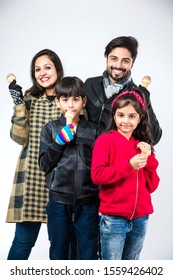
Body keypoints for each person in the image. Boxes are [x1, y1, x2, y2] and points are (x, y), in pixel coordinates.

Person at [6, 49, 64, 260]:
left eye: (47, 67)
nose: (42, 73)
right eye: (37, 69)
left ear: (57, 68)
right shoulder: (30, 98)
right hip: (32, 175)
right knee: (22, 242)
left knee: (60, 244)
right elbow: (19, 138)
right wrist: (19, 105)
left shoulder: (69, 95)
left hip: (61, 178)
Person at [91, 89, 160, 260]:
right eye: (121, 115)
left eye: (131, 116)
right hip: (114, 219)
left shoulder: (142, 145)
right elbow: (97, 176)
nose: (125, 121)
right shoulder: (105, 141)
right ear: (114, 116)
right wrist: (129, 165)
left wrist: (150, 159)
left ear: (140, 118)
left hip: (140, 218)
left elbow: (151, 187)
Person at [39, 76, 99, 260]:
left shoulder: (94, 130)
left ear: (84, 101)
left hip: (88, 200)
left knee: (88, 250)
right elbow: (44, 165)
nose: (71, 105)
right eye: (65, 100)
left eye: (75, 99)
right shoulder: (50, 129)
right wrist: (58, 142)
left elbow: (100, 166)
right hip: (58, 200)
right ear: (57, 102)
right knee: (58, 249)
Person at [84, 36, 162, 145]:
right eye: (114, 58)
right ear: (107, 58)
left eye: (125, 61)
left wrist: (146, 101)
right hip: (86, 155)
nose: (118, 65)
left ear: (132, 64)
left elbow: (154, 138)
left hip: (116, 157)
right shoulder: (90, 84)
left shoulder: (136, 94)